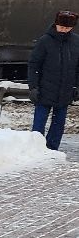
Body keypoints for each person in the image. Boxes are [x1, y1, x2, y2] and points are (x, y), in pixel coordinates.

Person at [27, 9, 79, 151]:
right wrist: (33, 87)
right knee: (39, 122)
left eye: (67, 28)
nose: (63, 30)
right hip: (44, 90)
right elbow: (34, 64)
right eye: (61, 27)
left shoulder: (76, 42)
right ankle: (36, 148)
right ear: (56, 24)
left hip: (65, 91)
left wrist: (76, 87)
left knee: (59, 123)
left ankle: (52, 148)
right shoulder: (45, 41)